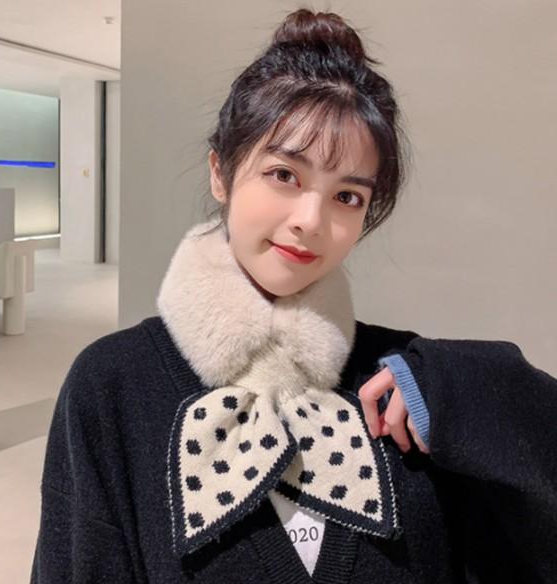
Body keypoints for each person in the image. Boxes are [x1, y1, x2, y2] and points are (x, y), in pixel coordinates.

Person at [30, 8, 557, 584]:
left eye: (348, 196)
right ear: (221, 173)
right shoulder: (112, 385)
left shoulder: (407, 386)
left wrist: (472, 391)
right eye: (284, 174)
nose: (311, 220)